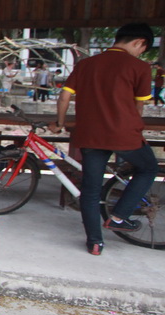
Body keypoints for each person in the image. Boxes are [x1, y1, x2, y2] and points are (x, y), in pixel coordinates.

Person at [48, 23, 157, 256]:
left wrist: (59, 123)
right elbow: (138, 107)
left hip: (89, 135)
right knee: (149, 168)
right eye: (142, 49)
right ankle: (118, 216)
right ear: (139, 42)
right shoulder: (140, 67)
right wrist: (136, 131)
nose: (140, 54)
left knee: (90, 190)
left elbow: (64, 96)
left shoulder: (86, 64)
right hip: (123, 135)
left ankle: (95, 243)